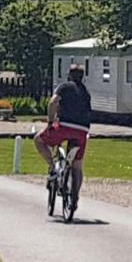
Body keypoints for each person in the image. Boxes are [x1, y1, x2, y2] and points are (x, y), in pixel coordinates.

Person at [35, 64, 91, 199]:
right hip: (83, 130)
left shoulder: (64, 87)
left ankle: (53, 167)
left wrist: (49, 122)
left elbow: (53, 102)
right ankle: (75, 196)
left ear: (69, 75)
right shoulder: (85, 92)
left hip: (64, 126)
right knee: (77, 166)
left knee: (39, 140)